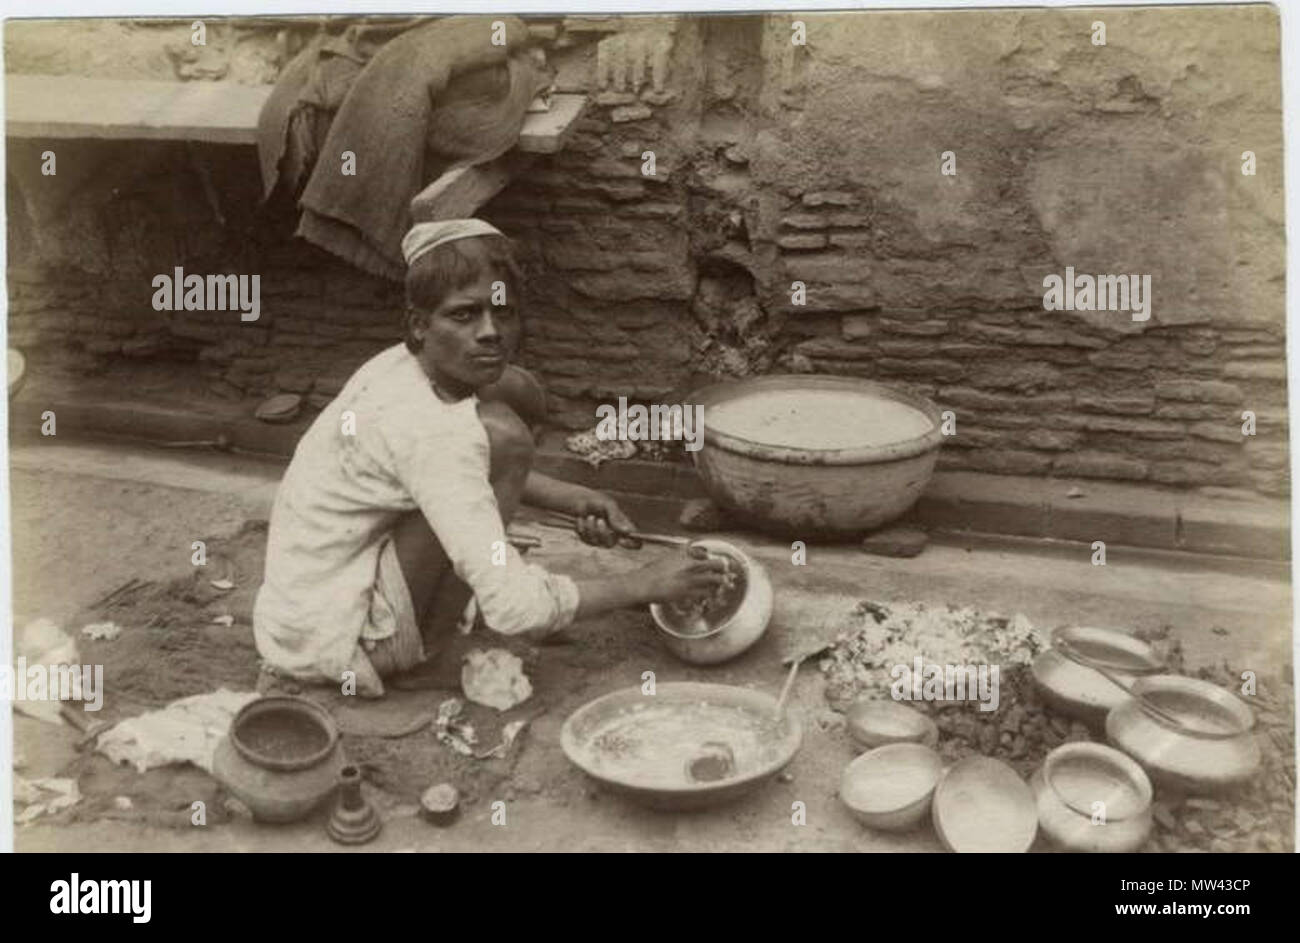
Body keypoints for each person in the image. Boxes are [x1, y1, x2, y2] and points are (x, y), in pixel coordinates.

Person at [253, 218, 728, 696]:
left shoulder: (399, 368)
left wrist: (567, 496)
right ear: (419, 325)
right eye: (464, 315)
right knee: (504, 438)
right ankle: (425, 655)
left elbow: (442, 476)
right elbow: (514, 610)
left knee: (513, 395)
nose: (490, 332)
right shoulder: (435, 431)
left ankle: (444, 606)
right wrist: (643, 584)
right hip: (340, 647)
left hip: (304, 611)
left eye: (503, 313)